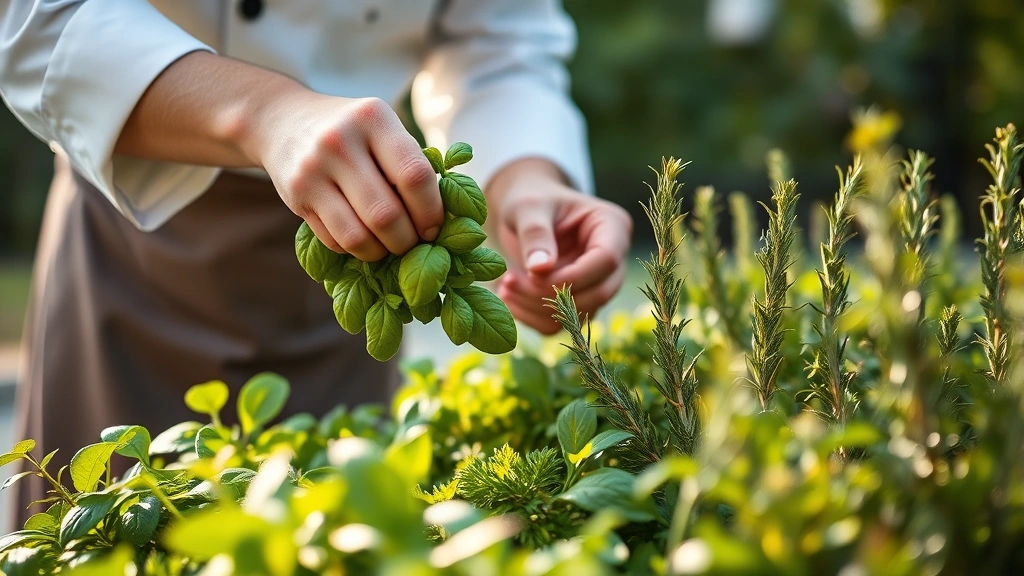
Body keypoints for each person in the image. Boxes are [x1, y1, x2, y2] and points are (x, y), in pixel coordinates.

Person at [0, 0, 633, 523]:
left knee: (329, 523)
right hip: (135, 241)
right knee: (105, 527)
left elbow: (499, 35)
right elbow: (36, 20)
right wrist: (265, 111)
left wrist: (525, 175)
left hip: (362, 245)